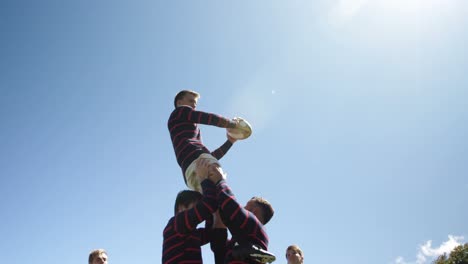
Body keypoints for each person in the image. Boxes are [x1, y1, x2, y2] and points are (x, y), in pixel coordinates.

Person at [201, 161, 276, 263]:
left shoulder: (256, 226)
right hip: (239, 252)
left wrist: (220, 181)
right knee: (235, 251)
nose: (243, 207)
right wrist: (213, 207)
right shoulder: (240, 240)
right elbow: (217, 244)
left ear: (255, 210)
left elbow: (231, 207)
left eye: (247, 206)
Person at [168, 90, 241, 193]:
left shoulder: (190, 141)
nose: (193, 105)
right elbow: (206, 118)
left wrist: (229, 142)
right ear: (179, 103)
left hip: (189, 173)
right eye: (190, 101)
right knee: (222, 193)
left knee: (212, 202)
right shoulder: (179, 112)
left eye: (195, 103)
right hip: (197, 162)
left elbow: (209, 156)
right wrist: (232, 124)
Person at [162, 162, 227, 264]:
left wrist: (214, 211)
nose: (198, 210)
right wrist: (203, 179)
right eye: (196, 206)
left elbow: (210, 233)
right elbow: (208, 205)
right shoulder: (176, 223)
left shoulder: (191, 233)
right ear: (181, 207)